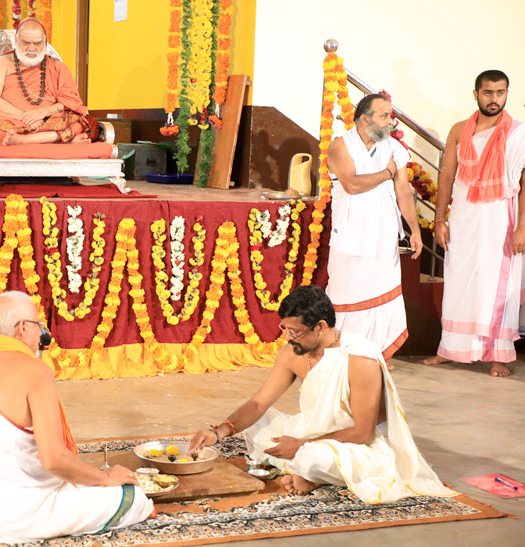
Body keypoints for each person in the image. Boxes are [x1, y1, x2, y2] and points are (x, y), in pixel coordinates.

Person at [189, 285, 455, 504]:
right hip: (311, 434)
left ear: (320, 326)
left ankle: (311, 474)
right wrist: (218, 433)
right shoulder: (292, 353)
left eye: (295, 332)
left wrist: (302, 445)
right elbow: (259, 403)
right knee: (258, 424)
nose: (288, 338)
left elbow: (363, 434)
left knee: (313, 457)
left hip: (355, 445)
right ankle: (307, 471)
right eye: (285, 329)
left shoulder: (359, 359)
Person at [0, 291, 153, 543]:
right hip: (14, 516)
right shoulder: (35, 371)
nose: (41, 332)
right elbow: (54, 460)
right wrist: (106, 477)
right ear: (23, 327)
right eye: (38, 325)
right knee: (132, 497)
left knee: (86, 480)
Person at [423, 70, 525, 377]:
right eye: (488, 93)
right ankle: (450, 348)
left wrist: (522, 228)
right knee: (459, 281)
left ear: (506, 94)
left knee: (495, 284)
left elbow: (523, 183)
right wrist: (439, 219)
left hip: (499, 217)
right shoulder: (459, 130)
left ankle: (497, 355)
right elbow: (446, 175)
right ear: (476, 94)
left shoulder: (517, 133)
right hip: (464, 216)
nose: (494, 99)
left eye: (500, 93)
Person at [325, 93, 422, 362]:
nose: (390, 121)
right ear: (365, 119)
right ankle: (341, 355)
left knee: (382, 295)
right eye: (384, 116)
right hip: (350, 237)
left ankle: (372, 356)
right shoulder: (340, 146)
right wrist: (387, 173)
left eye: (390, 115)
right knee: (344, 293)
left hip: (384, 236)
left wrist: (414, 230)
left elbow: (404, 191)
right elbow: (352, 185)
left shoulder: (393, 148)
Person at [0, 18, 95, 146]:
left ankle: (25, 141)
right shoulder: (3, 63)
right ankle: (63, 139)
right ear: (16, 39)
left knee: (78, 123)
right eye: (26, 42)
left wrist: (42, 112)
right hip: (13, 120)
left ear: (45, 43)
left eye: (37, 43)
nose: (31, 48)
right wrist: (25, 117)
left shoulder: (57, 67)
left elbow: (71, 103)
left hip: (48, 121)